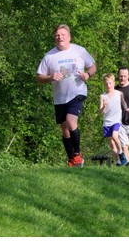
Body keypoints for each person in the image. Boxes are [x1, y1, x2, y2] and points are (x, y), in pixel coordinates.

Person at [36, 24, 96, 167]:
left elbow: (93, 66)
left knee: (70, 121)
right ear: (54, 38)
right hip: (60, 97)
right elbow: (39, 77)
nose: (60, 37)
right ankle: (71, 159)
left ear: (69, 37)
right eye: (57, 35)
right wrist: (50, 77)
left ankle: (77, 154)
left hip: (77, 92)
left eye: (63, 35)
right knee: (65, 129)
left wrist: (88, 74)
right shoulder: (49, 56)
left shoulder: (79, 51)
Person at [99, 74, 129, 166]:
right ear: (104, 84)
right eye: (106, 84)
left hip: (116, 120)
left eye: (110, 83)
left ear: (114, 83)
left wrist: (126, 108)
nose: (108, 85)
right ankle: (118, 161)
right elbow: (100, 111)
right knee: (112, 144)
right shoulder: (103, 96)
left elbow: (123, 103)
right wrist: (104, 106)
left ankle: (121, 153)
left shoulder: (119, 93)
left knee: (115, 136)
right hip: (107, 122)